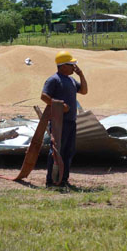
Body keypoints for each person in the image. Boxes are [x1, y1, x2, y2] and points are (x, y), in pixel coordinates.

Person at [40, 50, 88, 187]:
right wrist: (60, 105)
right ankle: (51, 180)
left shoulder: (72, 80)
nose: (74, 67)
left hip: (71, 121)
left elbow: (84, 91)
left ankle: (63, 180)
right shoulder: (53, 80)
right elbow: (44, 96)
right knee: (56, 151)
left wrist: (81, 74)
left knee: (68, 151)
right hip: (59, 122)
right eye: (71, 64)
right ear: (62, 66)